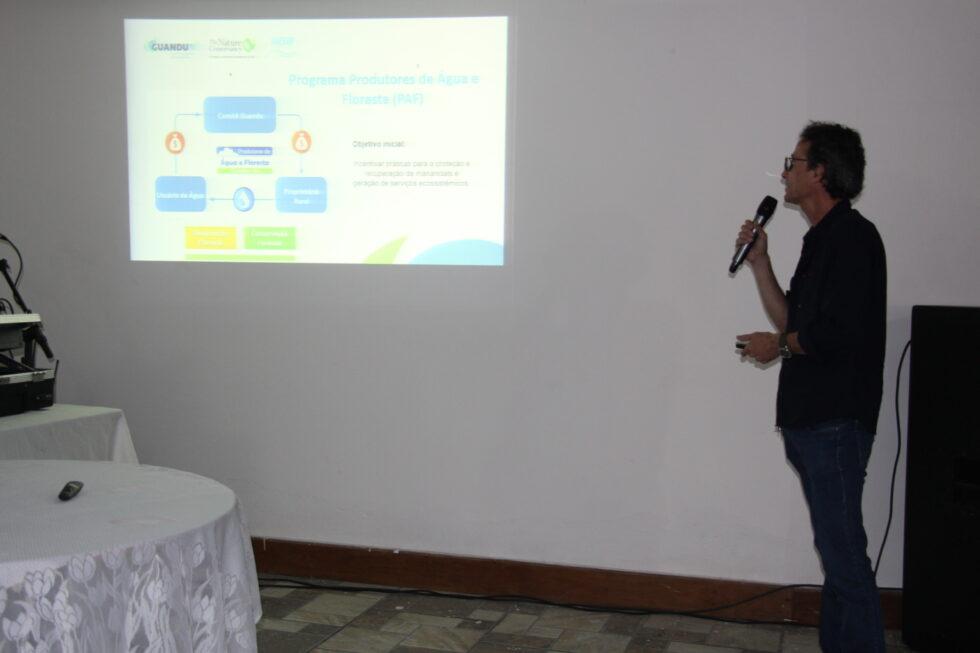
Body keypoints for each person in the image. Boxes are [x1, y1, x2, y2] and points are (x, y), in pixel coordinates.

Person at [735, 122, 887, 652]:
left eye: (793, 163)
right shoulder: (821, 239)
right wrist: (760, 263)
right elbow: (793, 323)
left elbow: (837, 334)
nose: (784, 173)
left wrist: (777, 346)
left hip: (835, 423)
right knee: (836, 555)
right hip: (811, 422)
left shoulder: (854, 238)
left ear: (819, 172)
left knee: (844, 559)